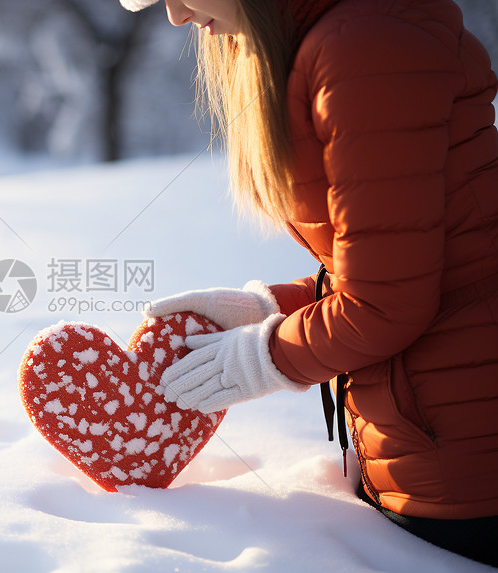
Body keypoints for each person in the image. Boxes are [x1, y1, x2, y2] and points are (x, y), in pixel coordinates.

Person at [119, 0, 498, 565]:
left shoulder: (365, 45)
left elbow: (387, 304)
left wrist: (261, 356)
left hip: (465, 469)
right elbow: (417, 258)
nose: (174, 15)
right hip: (427, 445)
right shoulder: (343, 35)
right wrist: (267, 306)